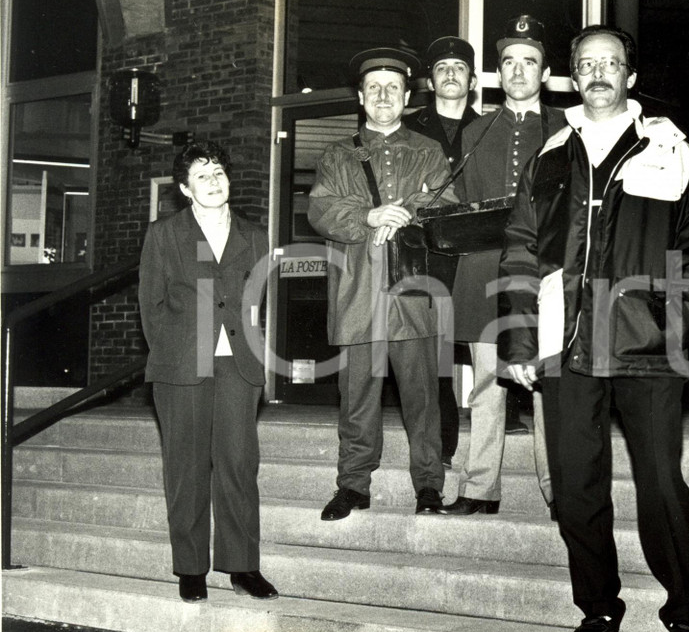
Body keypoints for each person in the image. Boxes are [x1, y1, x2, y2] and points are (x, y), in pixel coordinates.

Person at [498, 25, 689, 632]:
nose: (599, 73)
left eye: (611, 63)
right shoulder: (549, 157)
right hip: (563, 344)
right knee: (575, 484)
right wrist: (517, 342)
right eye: (586, 63)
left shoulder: (674, 153)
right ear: (572, 76)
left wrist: (678, 331)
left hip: (645, 345)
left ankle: (684, 610)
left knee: (660, 483)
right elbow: (519, 252)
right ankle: (598, 605)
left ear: (631, 77)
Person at [309, 47, 459, 520]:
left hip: (413, 293)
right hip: (358, 293)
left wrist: (410, 213)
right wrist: (368, 215)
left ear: (406, 94)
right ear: (360, 96)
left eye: (392, 88)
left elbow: (446, 202)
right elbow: (320, 210)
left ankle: (429, 487)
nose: (382, 95)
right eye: (373, 88)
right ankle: (353, 484)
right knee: (357, 398)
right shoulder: (337, 154)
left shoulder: (429, 151)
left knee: (423, 398)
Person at [139, 140, 278, 603]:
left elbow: (259, 300)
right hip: (183, 362)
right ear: (185, 188)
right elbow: (151, 307)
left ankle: (242, 566)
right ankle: (191, 568)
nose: (213, 181)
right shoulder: (164, 235)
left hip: (238, 361)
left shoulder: (255, 235)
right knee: (187, 467)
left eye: (219, 172)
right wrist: (175, 351)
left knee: (238, 463)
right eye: (202, 175)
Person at [439, 15, 565, 518]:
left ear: (546, 72)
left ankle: (561, 490)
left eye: (528, 62)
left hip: (545, 275)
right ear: (498, 72)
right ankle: (479, 488)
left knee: (547, 387)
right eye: (509, 62)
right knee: (487, 384)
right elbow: (459, 200)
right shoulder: (475, 129)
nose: (518, 71)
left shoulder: (565, 128)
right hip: (485, 273)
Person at [402, 36, 480, 467]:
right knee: (433, 353)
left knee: (483, 341)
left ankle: (507, 416)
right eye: (442, 67)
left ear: (471, 79)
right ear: (430, 81)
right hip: (425, 253)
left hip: (474, 253)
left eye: (459, 67)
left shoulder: (488, 128)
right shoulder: (408, 128)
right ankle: (443, 441)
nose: (451, 73)